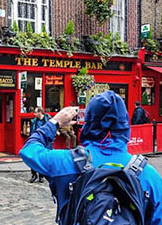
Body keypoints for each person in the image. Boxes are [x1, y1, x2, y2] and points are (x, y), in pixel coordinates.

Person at [20, 91, 162, 224]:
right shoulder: (150, 176)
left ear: (89, 123)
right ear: (125, 125)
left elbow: (29, 150)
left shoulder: (65, 162)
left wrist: (55, 122)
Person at [29, 106, 51, 183]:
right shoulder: (34, 121)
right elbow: (32, 131)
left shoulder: (47, 120)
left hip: (44, 142)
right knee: (33, 158)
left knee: (42, 159)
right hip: (36, 141)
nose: (34, 114)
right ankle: (34, 174)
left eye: (35, 112)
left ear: (40, 112)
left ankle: (41, 176)